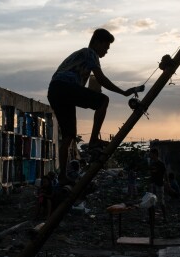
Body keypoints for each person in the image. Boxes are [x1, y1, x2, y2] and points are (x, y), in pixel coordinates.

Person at [47, 28, 136, 185]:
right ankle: (94, 140)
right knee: (103, 101)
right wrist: (123, 92)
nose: (106, 52)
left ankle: (62, 176)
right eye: (106, 47)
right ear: (97, 42)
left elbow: (90, 87)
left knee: (68, 136)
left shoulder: (82, 57)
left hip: (55, 91)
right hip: (65, 87)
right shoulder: (90, 53)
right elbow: (101, 79)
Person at [148, 148, 168, 223]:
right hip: (153, 184)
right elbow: (151, 173)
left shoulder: (160, 163)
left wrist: (167, 183)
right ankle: (152, 218)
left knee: (161, 202)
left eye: (151, 154)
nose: (150, 155)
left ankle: (164, 218)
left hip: (159, 184)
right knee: (152, 202)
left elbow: (165, 173)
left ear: (155, 154)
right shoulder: (152, 163)